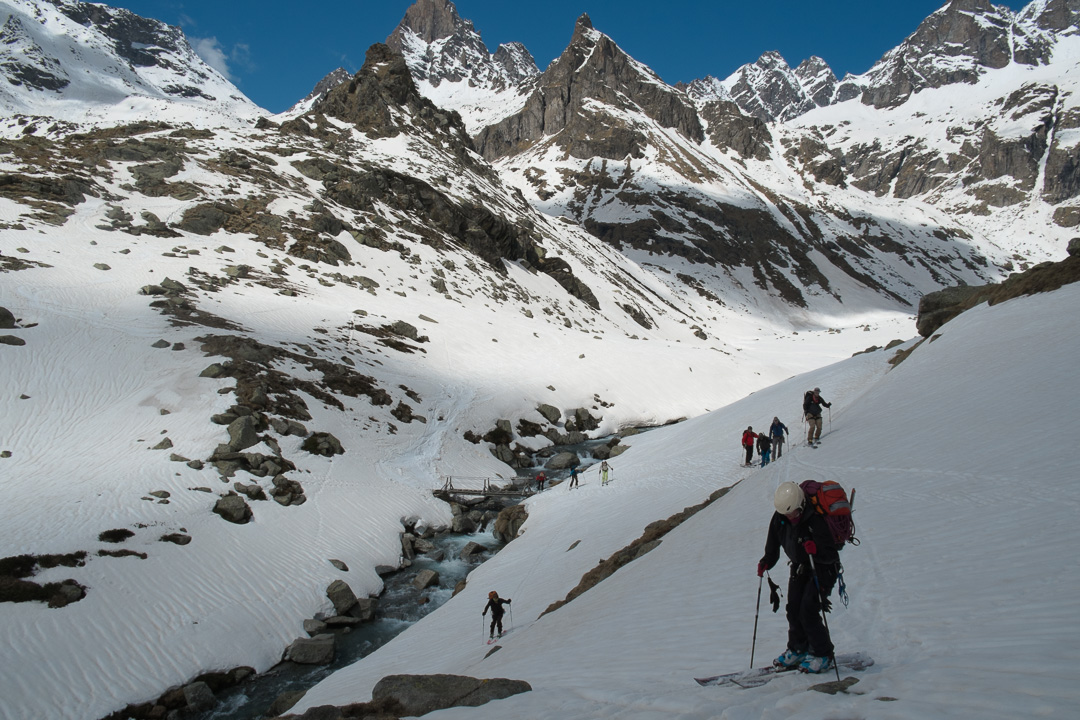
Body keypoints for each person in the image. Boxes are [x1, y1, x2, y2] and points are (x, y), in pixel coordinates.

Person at [757, 481, 840, 674]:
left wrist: (816, 550)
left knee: (808, 609)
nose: (789, 516)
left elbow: (831, 555)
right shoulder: (780, 517)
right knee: (793, 608)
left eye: (792, 513)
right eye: (786, 513)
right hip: (800, 567)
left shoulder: (815, 519)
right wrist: (766, 561)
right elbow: (773, 546)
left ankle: (823, 653)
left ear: (801, 506)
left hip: (823, 568)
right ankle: (798, 649)